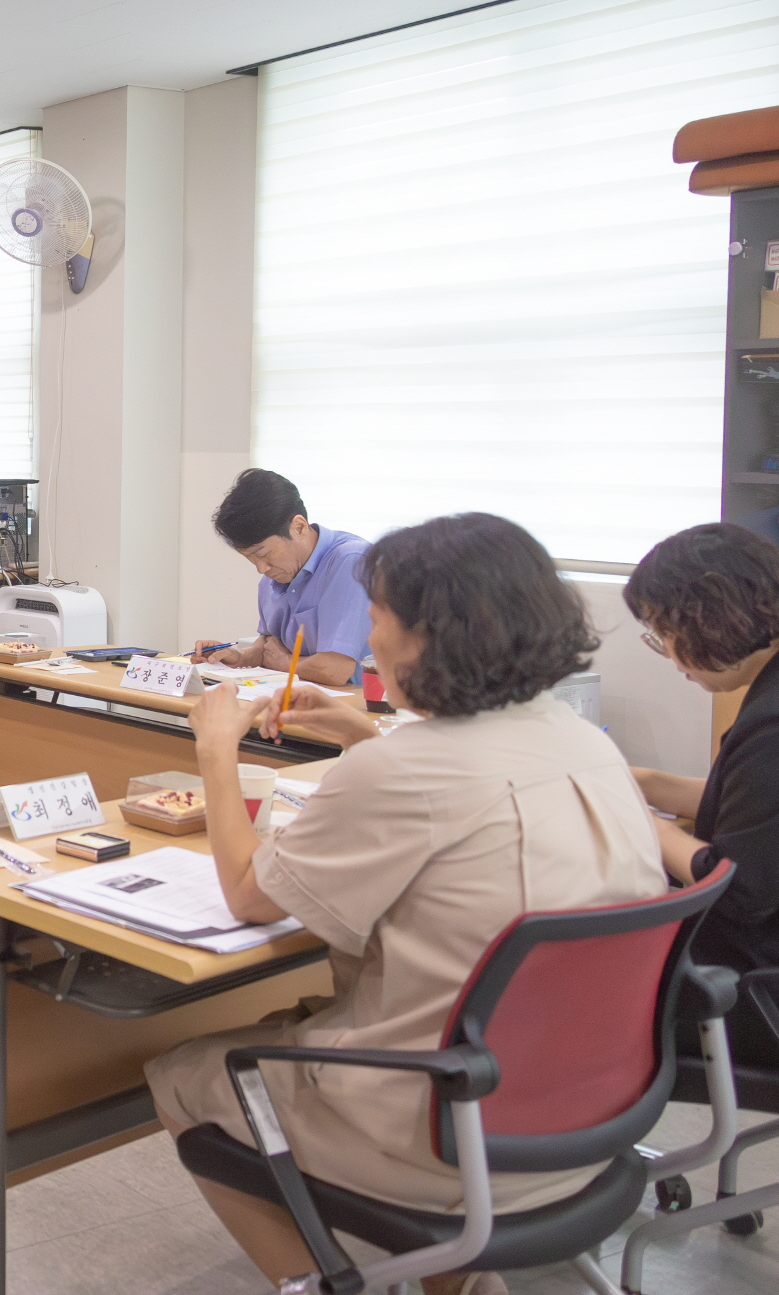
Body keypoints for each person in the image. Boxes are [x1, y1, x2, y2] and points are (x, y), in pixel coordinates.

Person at [150, 512, 663, 1295]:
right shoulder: (588, 743)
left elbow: (251, 896)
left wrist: (216, 753)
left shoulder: (404, 771)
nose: (369, 636)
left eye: (378, 615)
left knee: (181, 1074)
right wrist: (367, 735)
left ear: (428, 636)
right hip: (586, 1117)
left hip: (446, 1130)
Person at [624, 522, 779, 1068]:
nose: (669, 656)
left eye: (663, 635)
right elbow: (754, 808)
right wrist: (646, 783)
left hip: (755, 993)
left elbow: (737, 887)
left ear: (707, 621)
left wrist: (641, 822)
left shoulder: (772, 725)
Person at [192, 469, 370, 686]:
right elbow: (269, 646)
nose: (261, 568)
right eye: (249, 558)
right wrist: (239, 658)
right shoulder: (274, 575)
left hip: (363, 702)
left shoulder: (353, 562)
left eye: (264, 554)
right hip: (303, 698)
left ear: (299, 527)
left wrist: (286, 663)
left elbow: (335, 670)